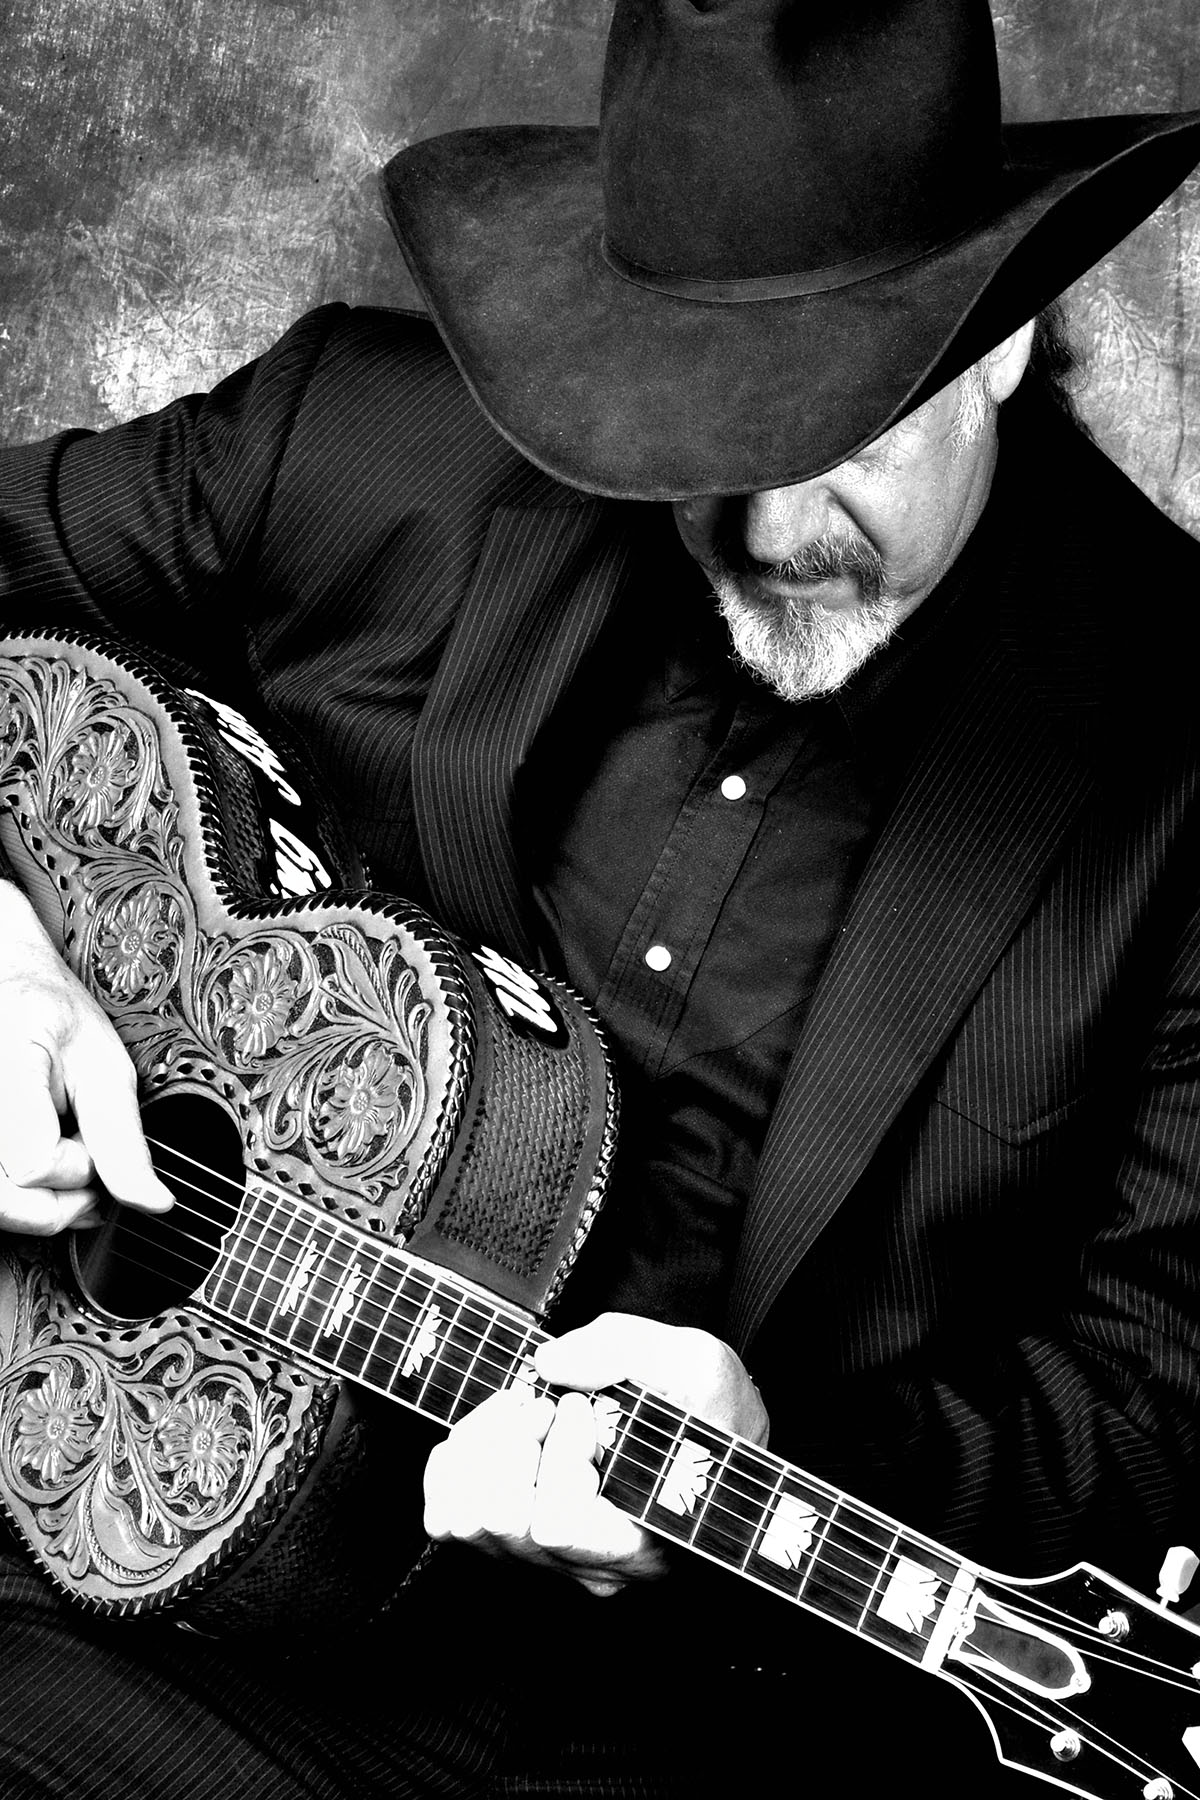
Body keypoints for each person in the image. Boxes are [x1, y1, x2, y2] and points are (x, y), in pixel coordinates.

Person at [1, 0, 1200, 1794]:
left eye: (854, 426)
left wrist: (774, 1438)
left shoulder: (1178, 744)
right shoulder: (368, 443)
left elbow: (1156, 1395)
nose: (780, 517)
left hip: (727, 1711)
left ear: (1010, 340)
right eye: (708, 430)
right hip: (148, 1605)